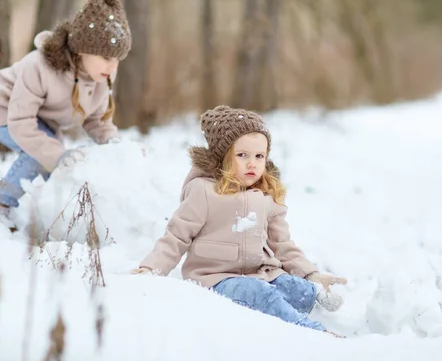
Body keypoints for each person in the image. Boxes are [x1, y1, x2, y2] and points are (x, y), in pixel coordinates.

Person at [133, 105, 348, 336]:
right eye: (242, 155)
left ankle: (313, 294)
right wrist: (150, 269)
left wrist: (311, 274)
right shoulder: (204, 192)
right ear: (224, 157)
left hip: (261, 273)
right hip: (216, 278)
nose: (252, 164)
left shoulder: (266, 194)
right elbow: (176, 236)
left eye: (259, 156)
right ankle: (311, 332)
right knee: (262, 295)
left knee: (292, 288)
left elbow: (282, 244)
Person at [0, 0, 131, 227]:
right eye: (106, 58)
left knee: (55, 157)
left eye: (117, 60)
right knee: (42, 154)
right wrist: (55, 152)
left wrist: (118, 147)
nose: (112, 67)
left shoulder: (102, 76)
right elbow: (21, 122)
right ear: (82, 50)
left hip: (40, 119)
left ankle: (45, 213)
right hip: (4, 109)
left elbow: (96, 120)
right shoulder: (39, 66)